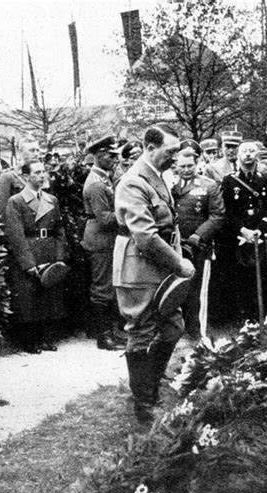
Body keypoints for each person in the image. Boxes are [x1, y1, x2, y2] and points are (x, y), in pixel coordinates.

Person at [114, 122, 195, 423]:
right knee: (142, 331)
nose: (175, 157)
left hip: (159, 268)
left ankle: (150, 381)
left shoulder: (156, 176)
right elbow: (146, 236)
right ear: (150, 148)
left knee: (173, 327)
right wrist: (179, 263)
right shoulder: (134, 182)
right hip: (138, 269)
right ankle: (144, 403)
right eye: (170, 151)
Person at [5, 160, 69, 353]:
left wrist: (59, 257)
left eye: (44, 171)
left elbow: (59, 231)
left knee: (49, 297)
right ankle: (30, 341)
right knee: (29, 298)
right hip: (30, 250)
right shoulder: (16, 201)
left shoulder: (51, 200)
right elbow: (16, 235)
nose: (43, 176)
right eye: (37, 172)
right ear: (26, 177)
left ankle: (46, 338)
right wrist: (28, 263)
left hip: (49, 249)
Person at [216, 140, 267, 322]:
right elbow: (226, 212)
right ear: (238, 156)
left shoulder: (266, 180)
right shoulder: (229, 182)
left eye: (252, 151)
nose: (248, 155)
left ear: (257, 154)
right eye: (244, 151)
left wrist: (260, 230)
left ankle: (264, 318)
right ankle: (244, 320)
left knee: (264, 277)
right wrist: (243, 231)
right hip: (239, 237)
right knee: (241, 279)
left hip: (262, 236)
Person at [172, 148, 225, 337]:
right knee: (176, 288)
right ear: (175, 166)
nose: (186, 169)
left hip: (198, 246)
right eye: (182, 166)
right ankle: (178, 330)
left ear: (197, 164)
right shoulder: (170, 185)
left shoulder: (209, 186)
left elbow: (217, 215)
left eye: (190, 165)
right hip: (175, 246)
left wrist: (199, 235)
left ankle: (198, 332)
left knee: (197, 291)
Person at [82, 135, 125, 350]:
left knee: (109, 285)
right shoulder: (96, 184)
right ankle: (104, 336)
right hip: (100, 239)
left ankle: (111, 332)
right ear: (99, 155)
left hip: (105, 239)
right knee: (102, 287)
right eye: (111, 155)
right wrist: (129, 214)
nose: (115, 159)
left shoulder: (104, 179)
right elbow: (105, 219)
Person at [0, 138, 41, 218]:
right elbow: (2, 211)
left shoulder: (43, 176)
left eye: (38, 150)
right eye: (32, 150)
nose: (36, 154)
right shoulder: (8, 177)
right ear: (20, 152)